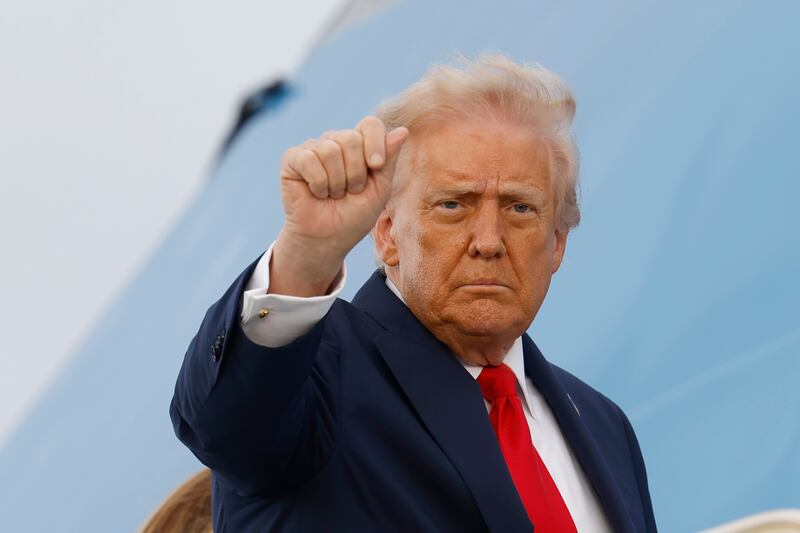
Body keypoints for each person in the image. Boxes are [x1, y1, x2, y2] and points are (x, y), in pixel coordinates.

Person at [170, 52, 657, 532]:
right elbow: (228, 425)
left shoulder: (604, 426)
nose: (488, 241)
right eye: (452, 204)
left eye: (520, 208)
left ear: (557, 244)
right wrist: (304, 258)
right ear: (386, 232)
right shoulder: (317, 371)